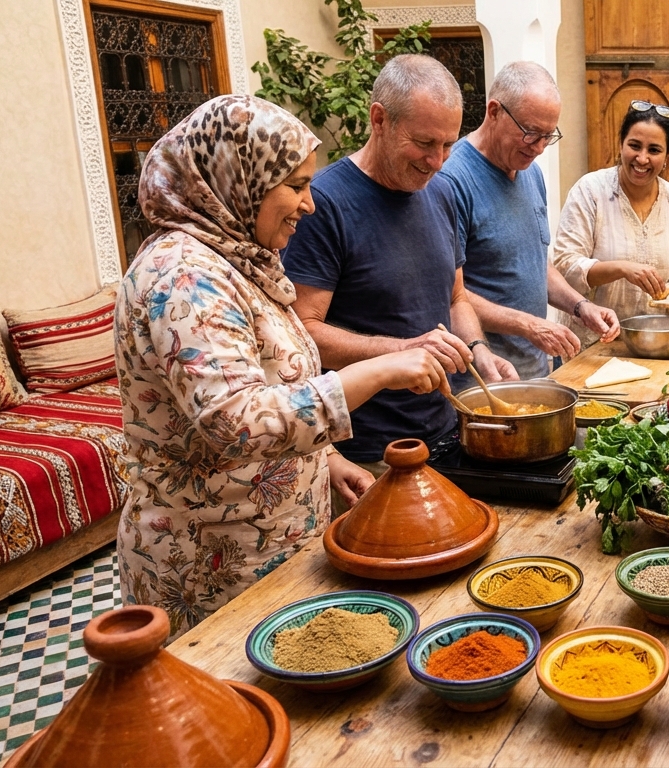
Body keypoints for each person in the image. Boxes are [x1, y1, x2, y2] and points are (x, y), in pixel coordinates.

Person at [115, 95, 450, 639]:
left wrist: (325, 458)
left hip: (268, 549)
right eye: (295, 186)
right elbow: (236, 420)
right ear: (237, 177)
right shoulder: (186, 277)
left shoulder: (238, 260)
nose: (309, 205)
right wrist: (382, 369)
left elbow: (276, 378)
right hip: (209, 562)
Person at [283, 55, 514, 470]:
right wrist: (402, 350)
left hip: (444, 432)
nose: (437, 161)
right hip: (368, 454)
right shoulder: (323, 203)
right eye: (424, 143)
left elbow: (456, 297)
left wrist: (478, 351)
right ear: (379, 120)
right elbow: (302, 334)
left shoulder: (442, 192)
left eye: (448, 144)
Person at [441, 61, 620, 384]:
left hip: (534, 371)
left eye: (547, 136)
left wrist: (580, 306)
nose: (538, 148)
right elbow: (449, 294)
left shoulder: (530, 173)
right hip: (483, 380)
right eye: (530, 133)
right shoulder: (452, 180)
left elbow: (536, 264)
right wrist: (529, 325)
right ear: (494, 112)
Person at [551, 100, 669, 346]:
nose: (642, 158)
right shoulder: (590, 191)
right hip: (592, 341)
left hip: (655, 342)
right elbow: (566, 265)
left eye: (654, 150)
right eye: (634, 146)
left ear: (667, 156)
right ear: (620, 144)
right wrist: (622, 268)